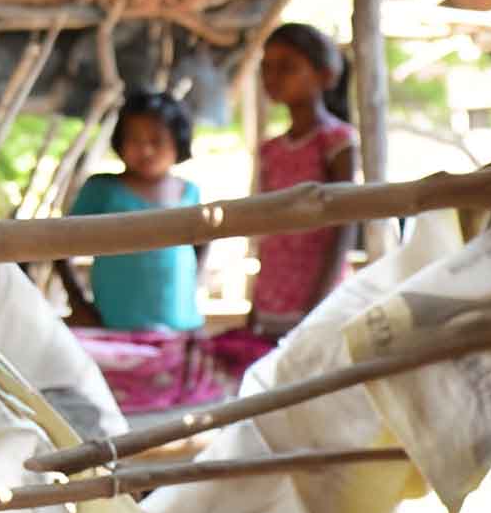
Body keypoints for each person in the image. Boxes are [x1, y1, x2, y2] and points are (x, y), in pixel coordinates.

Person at [212, 25, 358, 375]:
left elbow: (345, 223)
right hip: (273, 291)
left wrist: (320, 298)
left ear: (324, 76)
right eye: (267, 67)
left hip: (319, 287)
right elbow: (267, 228)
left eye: (287, 66)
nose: (272, 77)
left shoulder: (337, 142)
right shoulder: (271, 150)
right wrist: (255, 301)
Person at [60, 93, 203, 334]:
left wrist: (193, 284)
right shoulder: (102, 190)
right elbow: (59, 247)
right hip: (114, 322)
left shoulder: (189, 192)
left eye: (156, 140)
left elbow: (202, 243)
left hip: (180, 324)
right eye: (134, 139)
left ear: (177, 142)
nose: (145, 149)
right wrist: (78, 302)